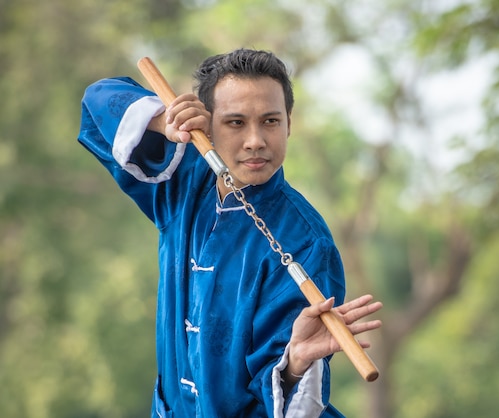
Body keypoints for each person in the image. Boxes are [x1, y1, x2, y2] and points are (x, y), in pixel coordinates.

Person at [78, 48, 382, 417]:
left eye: (270, 121)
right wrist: (163, 121)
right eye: (235, 122)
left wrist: (294, 365)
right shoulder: (181, 181)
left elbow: (283, 396)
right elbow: (98, 101)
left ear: (289, 122)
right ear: (207, 125)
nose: (255, 140)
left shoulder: (307, 244)